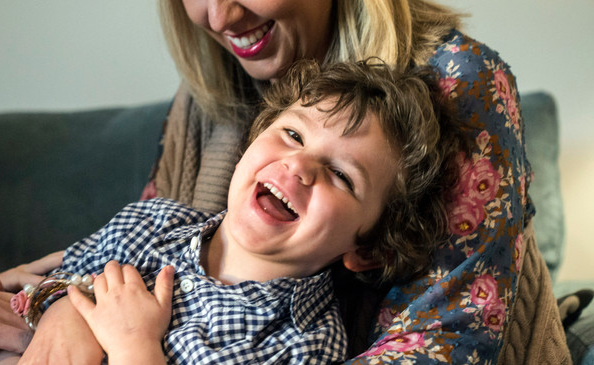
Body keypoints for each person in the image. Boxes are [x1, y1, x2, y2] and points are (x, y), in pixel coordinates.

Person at [143, 0, 567, 363]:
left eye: (342, 175)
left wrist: (132, 346)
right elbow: (128, 258)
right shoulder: (209, 91)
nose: (219, 17)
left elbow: (446, 336)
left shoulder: (458, 78)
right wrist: (75, 304)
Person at [0, 59, 464, 364]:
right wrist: (65, 308)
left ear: (368, 246)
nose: (297, 166)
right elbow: (32, 298)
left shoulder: (305, 345)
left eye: (341, 175)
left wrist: (136, 347)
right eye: (293, 135)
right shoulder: (150, 224)